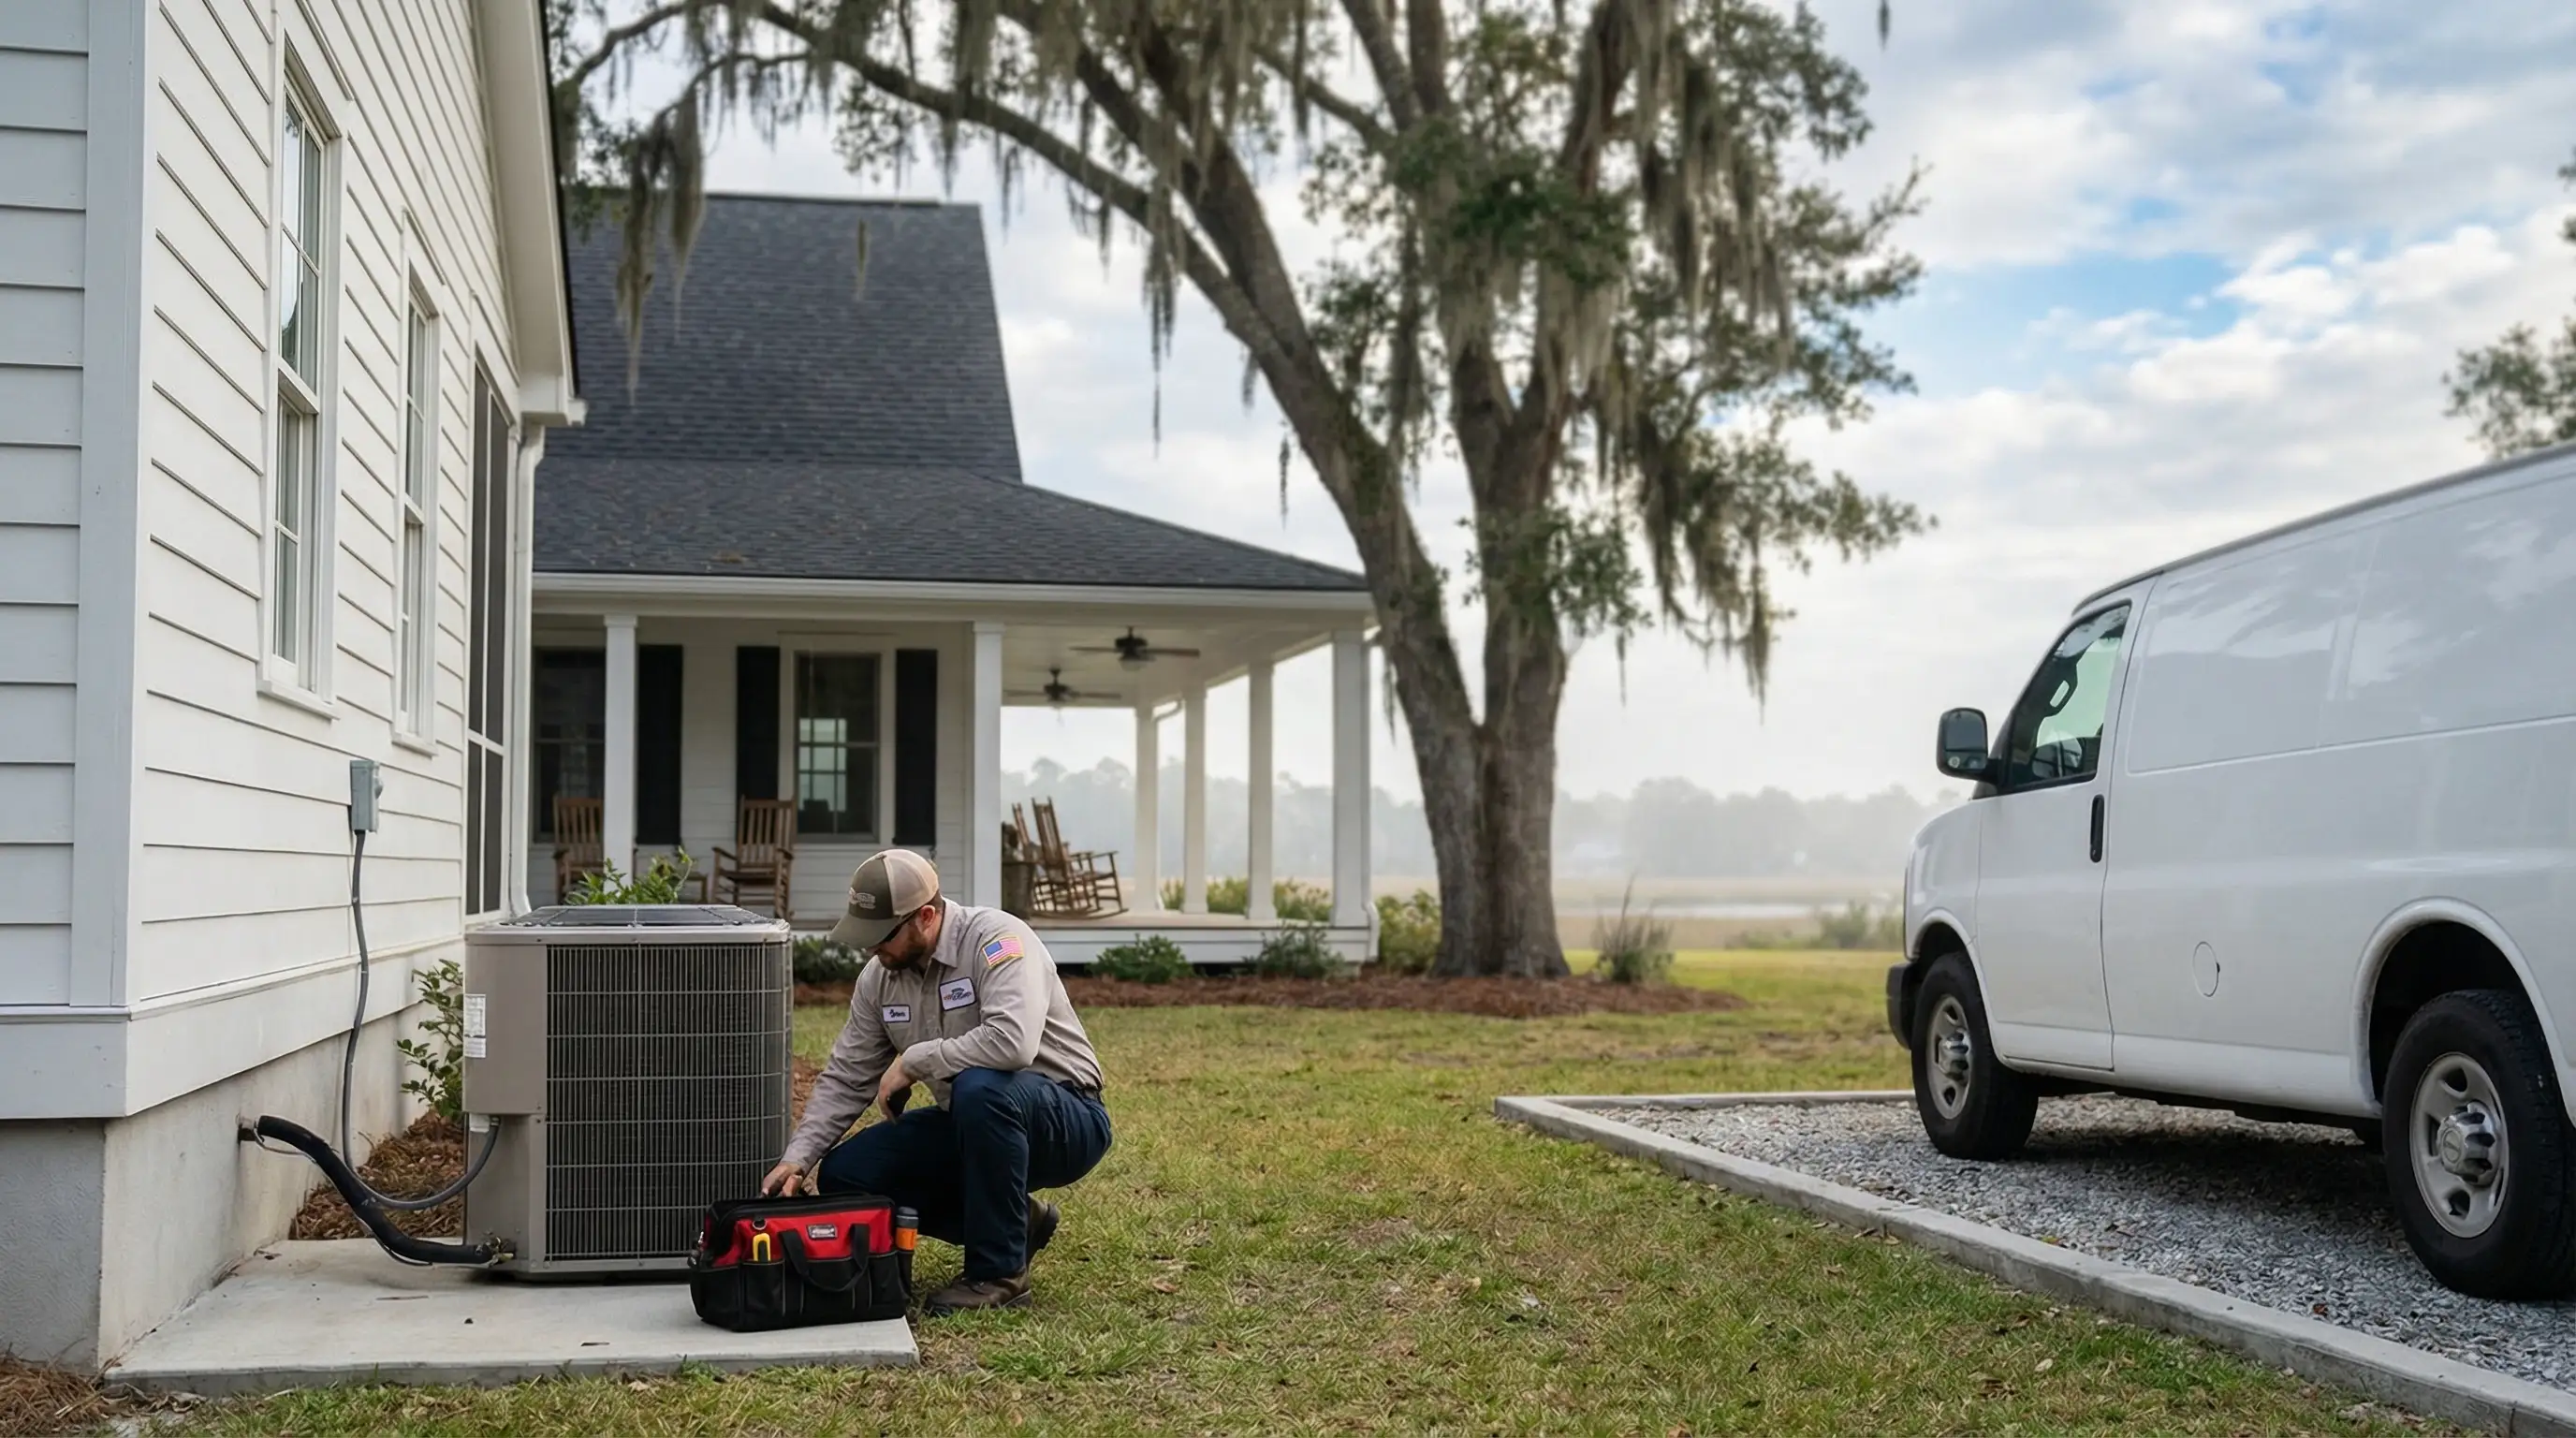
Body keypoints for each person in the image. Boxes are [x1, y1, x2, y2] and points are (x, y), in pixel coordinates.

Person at [762, 848, 1111, 1314]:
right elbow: (847, 1077)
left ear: (925, 916)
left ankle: (999, 1275)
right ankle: (1017, 1223)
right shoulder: (879, 979)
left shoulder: (998, 940)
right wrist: (798, 1159)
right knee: (850, 1173)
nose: (871, 950)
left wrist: (916, 1059)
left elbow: (1013, 1045)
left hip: (1066, 1117)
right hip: (974, 1122)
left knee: (980, 1086)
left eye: (881, 936)